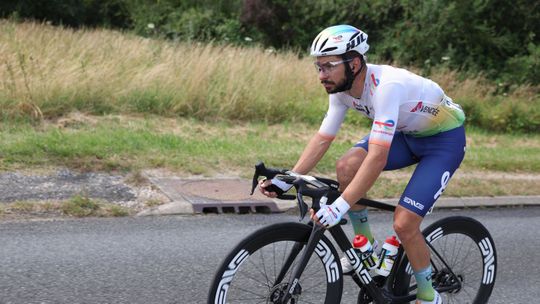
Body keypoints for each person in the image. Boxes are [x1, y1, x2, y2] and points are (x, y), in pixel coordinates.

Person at [259, 24, 465, 304]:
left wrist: (339, 207)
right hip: (406, 135)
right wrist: (287, 178)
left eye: (328, 66)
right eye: (318, 67)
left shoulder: (387, 87)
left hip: (443, 142)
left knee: (404, 224)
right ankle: (365, 249)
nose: (322, 75)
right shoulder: (340, 90)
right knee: (346, 165)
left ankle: (429, 295)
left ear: (354, 63)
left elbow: (377, 157)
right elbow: (323, 138)